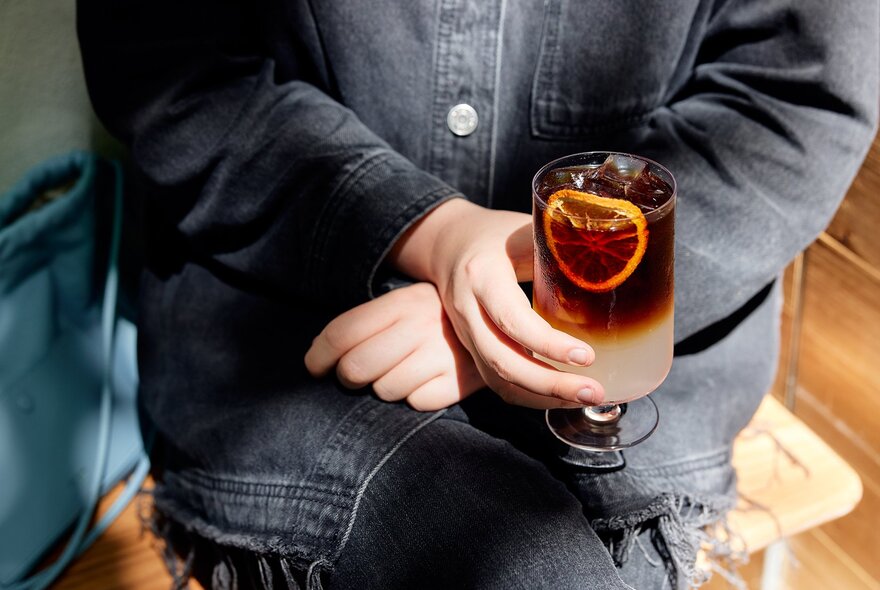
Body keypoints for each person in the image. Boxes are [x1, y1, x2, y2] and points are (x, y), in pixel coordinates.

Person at [77, 0, 877, 588]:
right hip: (298, 319)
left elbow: (793, 101)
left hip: (633, 355)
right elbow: (167, 64)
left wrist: (518, 303)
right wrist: (428, 235)